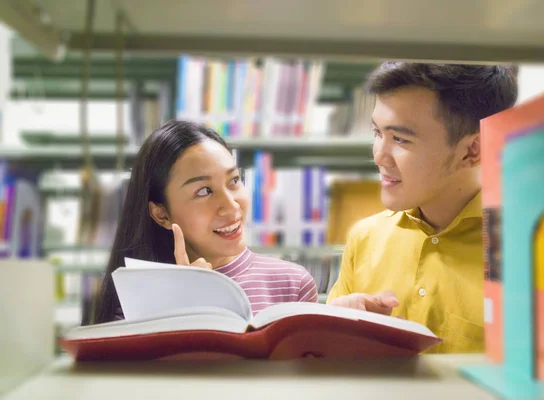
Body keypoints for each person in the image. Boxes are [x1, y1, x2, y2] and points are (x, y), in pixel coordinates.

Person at [327, 62, 518, 353]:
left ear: (472, 150)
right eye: (377, 133)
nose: (379, 157)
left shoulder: (527, 252)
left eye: (400, 139)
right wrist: (332, 332)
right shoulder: (365, 239)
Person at [92, 120, 318, 324]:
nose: (231, 206)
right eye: (204, 191)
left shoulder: (294, 285)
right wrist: (183, 305)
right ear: (162, 214)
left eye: (234, 181)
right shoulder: (135, 302)